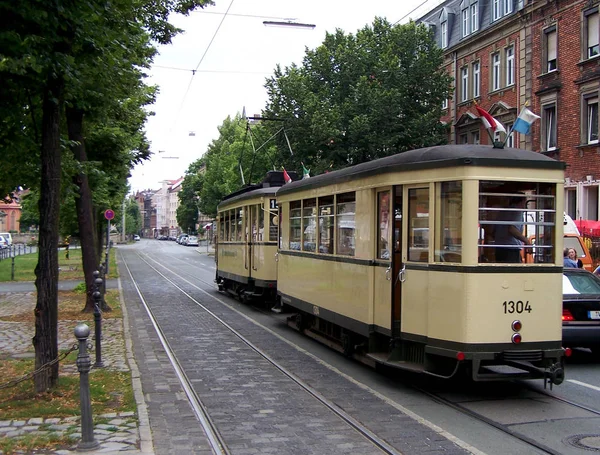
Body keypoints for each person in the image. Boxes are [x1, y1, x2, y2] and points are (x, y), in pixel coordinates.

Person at [494, 195, 530, 263]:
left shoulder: (503, 212)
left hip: (499, 248)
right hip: (511, 249)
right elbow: (512, 229)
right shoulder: (517, 211)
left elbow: (494, 230)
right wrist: (527, 241)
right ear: (521, 202)